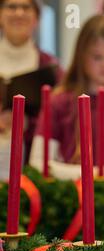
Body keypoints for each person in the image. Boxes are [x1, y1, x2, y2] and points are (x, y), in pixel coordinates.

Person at [29, 15, 104, 180]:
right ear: (81, 57)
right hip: (75, 199)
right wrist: (94, 174)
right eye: (97, 57)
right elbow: (38, 164)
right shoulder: (60, 102)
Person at [0, 0, 63, 163]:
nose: (19, 13)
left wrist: (26, 123)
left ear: (37, 18)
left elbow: (61, 122)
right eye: (12, 7)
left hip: (29, 165)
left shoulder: (51, 68)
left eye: (26, 7)